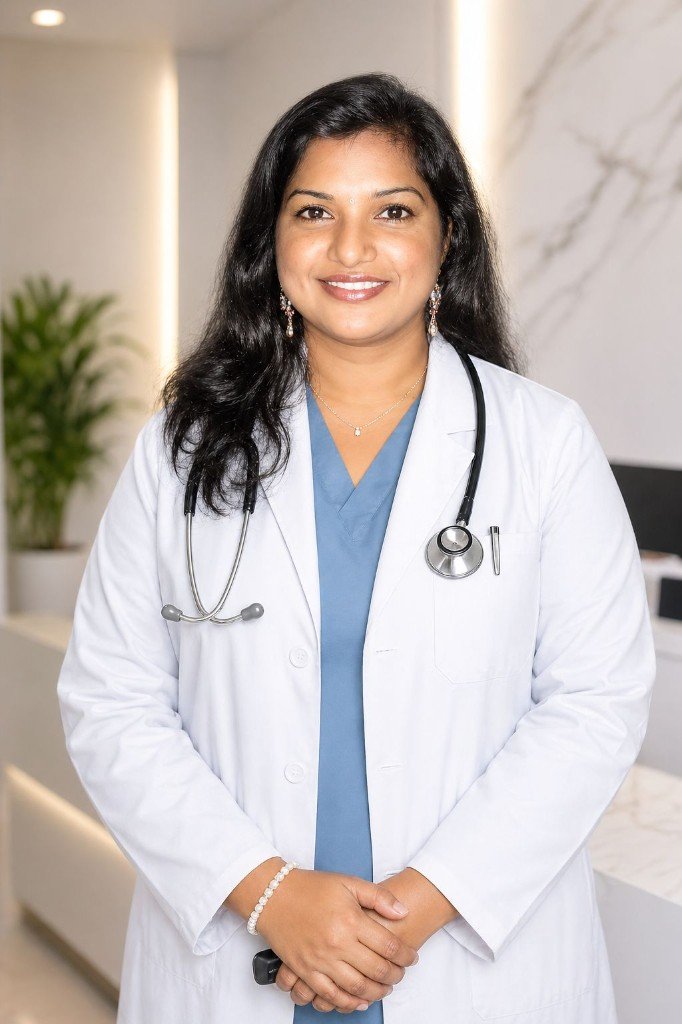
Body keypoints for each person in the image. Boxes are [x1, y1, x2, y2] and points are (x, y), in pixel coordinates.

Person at [56, 72, 656, 1024]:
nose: (350, 247)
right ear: (272, 241)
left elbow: (594, 702)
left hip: (470, 961)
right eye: (313, 212)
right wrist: (270, 896)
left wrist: (409, 914)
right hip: (242, 957)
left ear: (445, 233)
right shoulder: (183, 447)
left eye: (391, 209)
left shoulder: (542, 441)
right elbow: (112, 702)